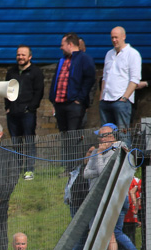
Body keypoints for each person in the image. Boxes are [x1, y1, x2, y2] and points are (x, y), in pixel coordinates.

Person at [84, 124, 135, 250]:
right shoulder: (99, 151)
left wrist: (99, 155)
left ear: (110, 137)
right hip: (100, 197)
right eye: (98, 136)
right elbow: (86, 172)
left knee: (113, 232)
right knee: (106, 232)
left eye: (101, 136)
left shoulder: (117, 150)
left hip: (113, 197)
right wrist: (98, 157)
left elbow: (103, 171)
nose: (99, 140)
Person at [50, 33, 95, 170]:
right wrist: (53, 100)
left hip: (73, 105)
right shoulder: (63, 60)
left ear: (70, 44)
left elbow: (89, 79)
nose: (60, 47)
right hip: (60, 104)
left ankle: (74, 167)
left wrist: (79, 99)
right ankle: (68, 167)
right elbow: (56, 80)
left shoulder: (83, 59)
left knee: (73, 135)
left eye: (62, 45)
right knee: (65, 136)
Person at [4, 45, 44, 180]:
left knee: (29, 141)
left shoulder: (36, 72)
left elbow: (39, 92)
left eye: (23, 55)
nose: (20, 57)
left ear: (30, 57)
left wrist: (31, 108)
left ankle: (29, 170)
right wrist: (7, 108)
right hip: (13, 113)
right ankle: (16, 169)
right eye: (18, 55)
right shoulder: (11, 72)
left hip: (27, 113)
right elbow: (6, 90)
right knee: (15, 142)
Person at [99, 27, 141, 136]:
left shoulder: (132, 54)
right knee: (106, 135)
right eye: (112, 37)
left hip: (120, 101)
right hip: (106, 99)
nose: (114, 40)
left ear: (123, 37)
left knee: (123, 135)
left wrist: (125, 97)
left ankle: (124, 153)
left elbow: (135, 79)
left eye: (116, 37)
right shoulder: (109, 54)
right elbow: (105, 77)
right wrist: (101, 97)